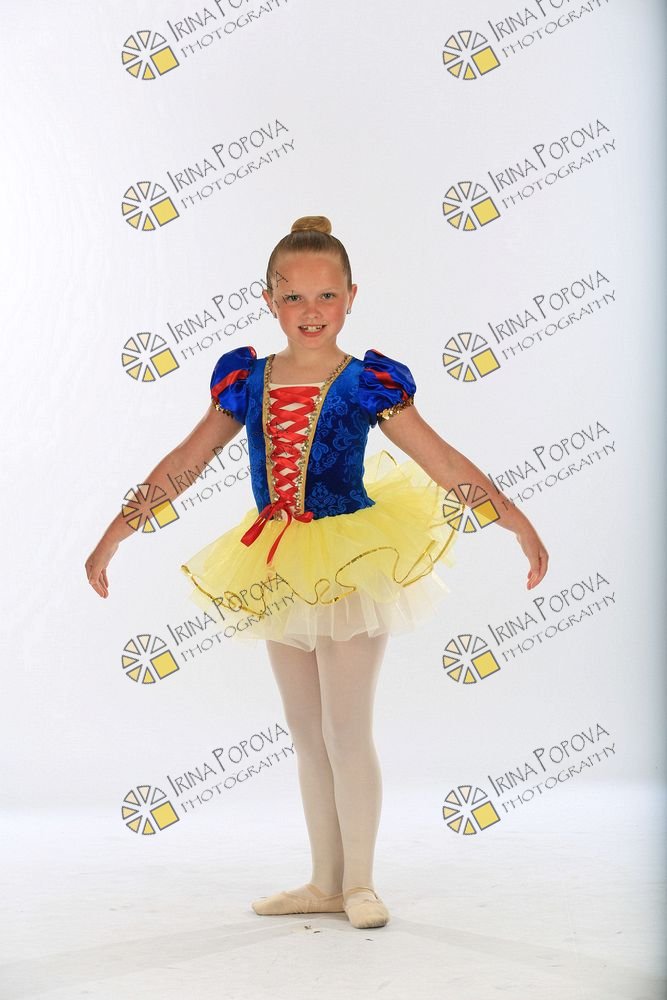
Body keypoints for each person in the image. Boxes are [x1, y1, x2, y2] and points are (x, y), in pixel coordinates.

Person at [86, 215, 549, 930]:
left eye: (326, 295)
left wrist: (514, 520)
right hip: (276, 562)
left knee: (345, 729)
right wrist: (115, 533)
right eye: (293, 296)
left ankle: (360, 882)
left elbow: (442, 461)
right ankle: (324, 881)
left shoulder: (366, 383)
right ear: (268, 299)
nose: (311, 311)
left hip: (353, 560)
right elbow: (184, 463)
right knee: (306, 732)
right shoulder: (247, 381)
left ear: (351, 297)